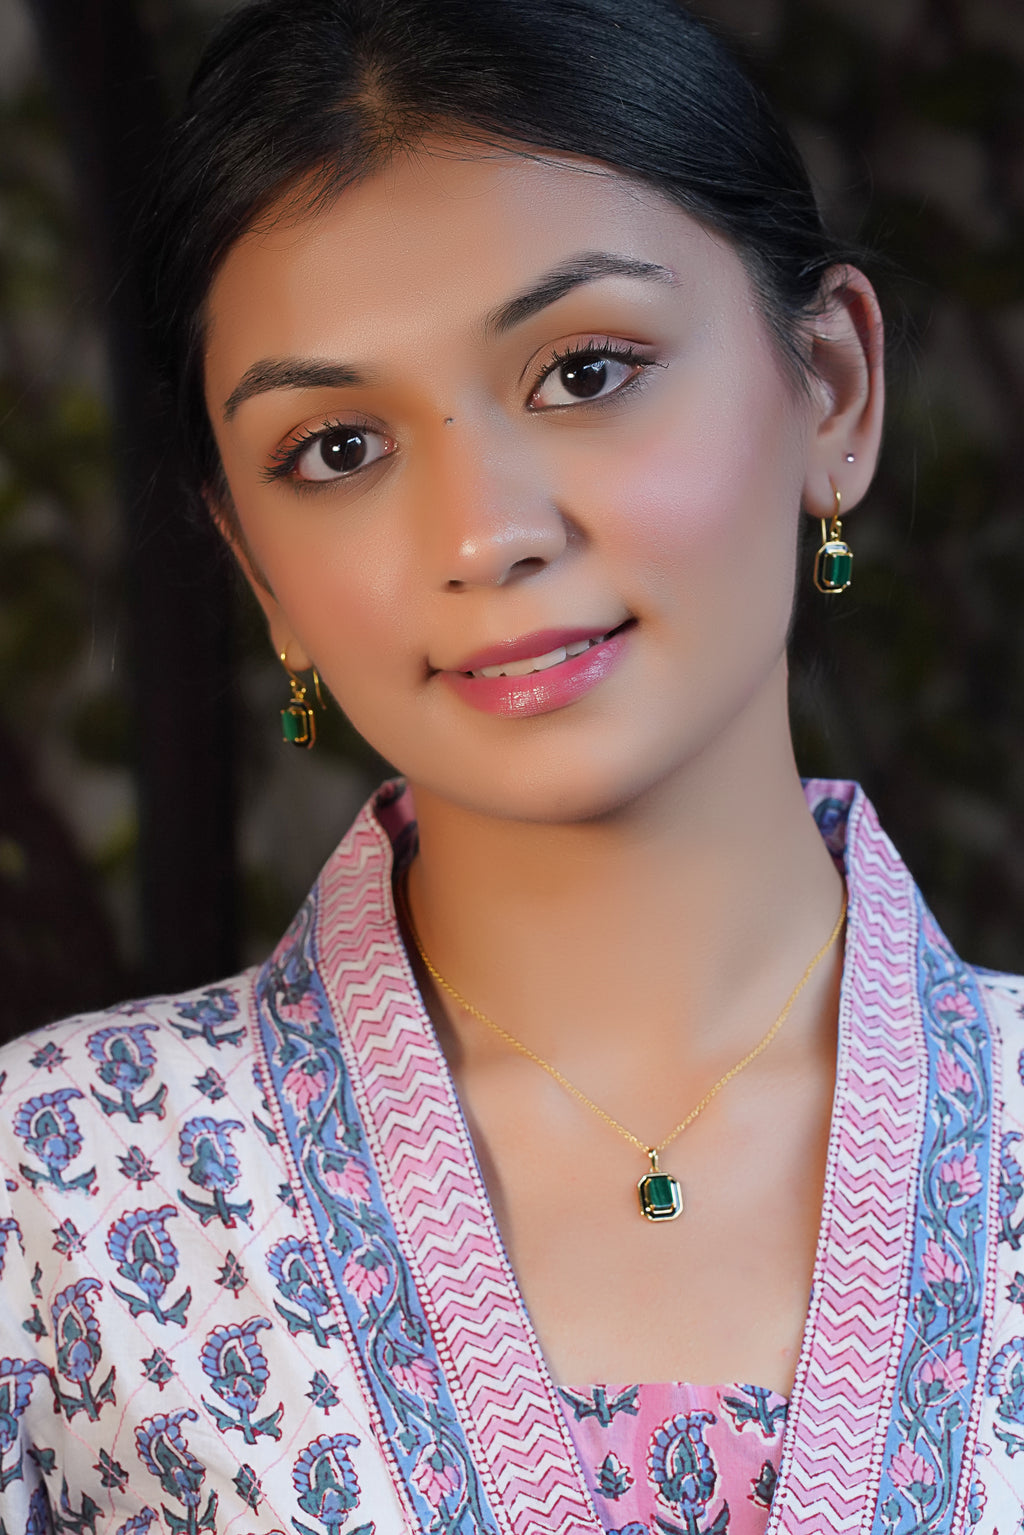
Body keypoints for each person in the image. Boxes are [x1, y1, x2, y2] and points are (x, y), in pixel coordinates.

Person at [1, 1, 1021, 1531]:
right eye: (338, 449)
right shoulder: (54, 1191)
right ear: (258, 569)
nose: (485, 535)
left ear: (832, 387)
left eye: (586, 371)